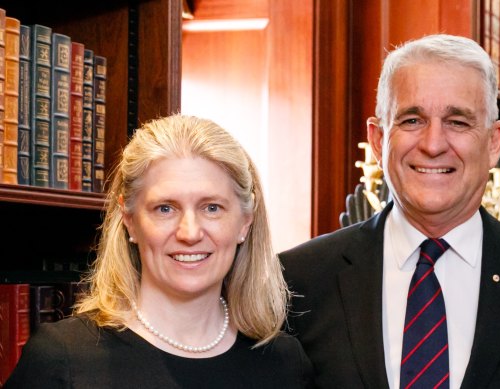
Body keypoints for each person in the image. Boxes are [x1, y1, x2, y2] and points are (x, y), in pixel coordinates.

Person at [279, 34, 500, 388]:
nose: (433, 144)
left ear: (494, 142)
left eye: (458, 122)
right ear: (378, 140)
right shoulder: (297, 280)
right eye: (412, 120)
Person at [6, 114, 314, 388]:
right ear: (130, 222)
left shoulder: (284, 363)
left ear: (244, 223)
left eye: (212, 208)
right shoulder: (62, 359)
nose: (190, 233)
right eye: (165, 208)